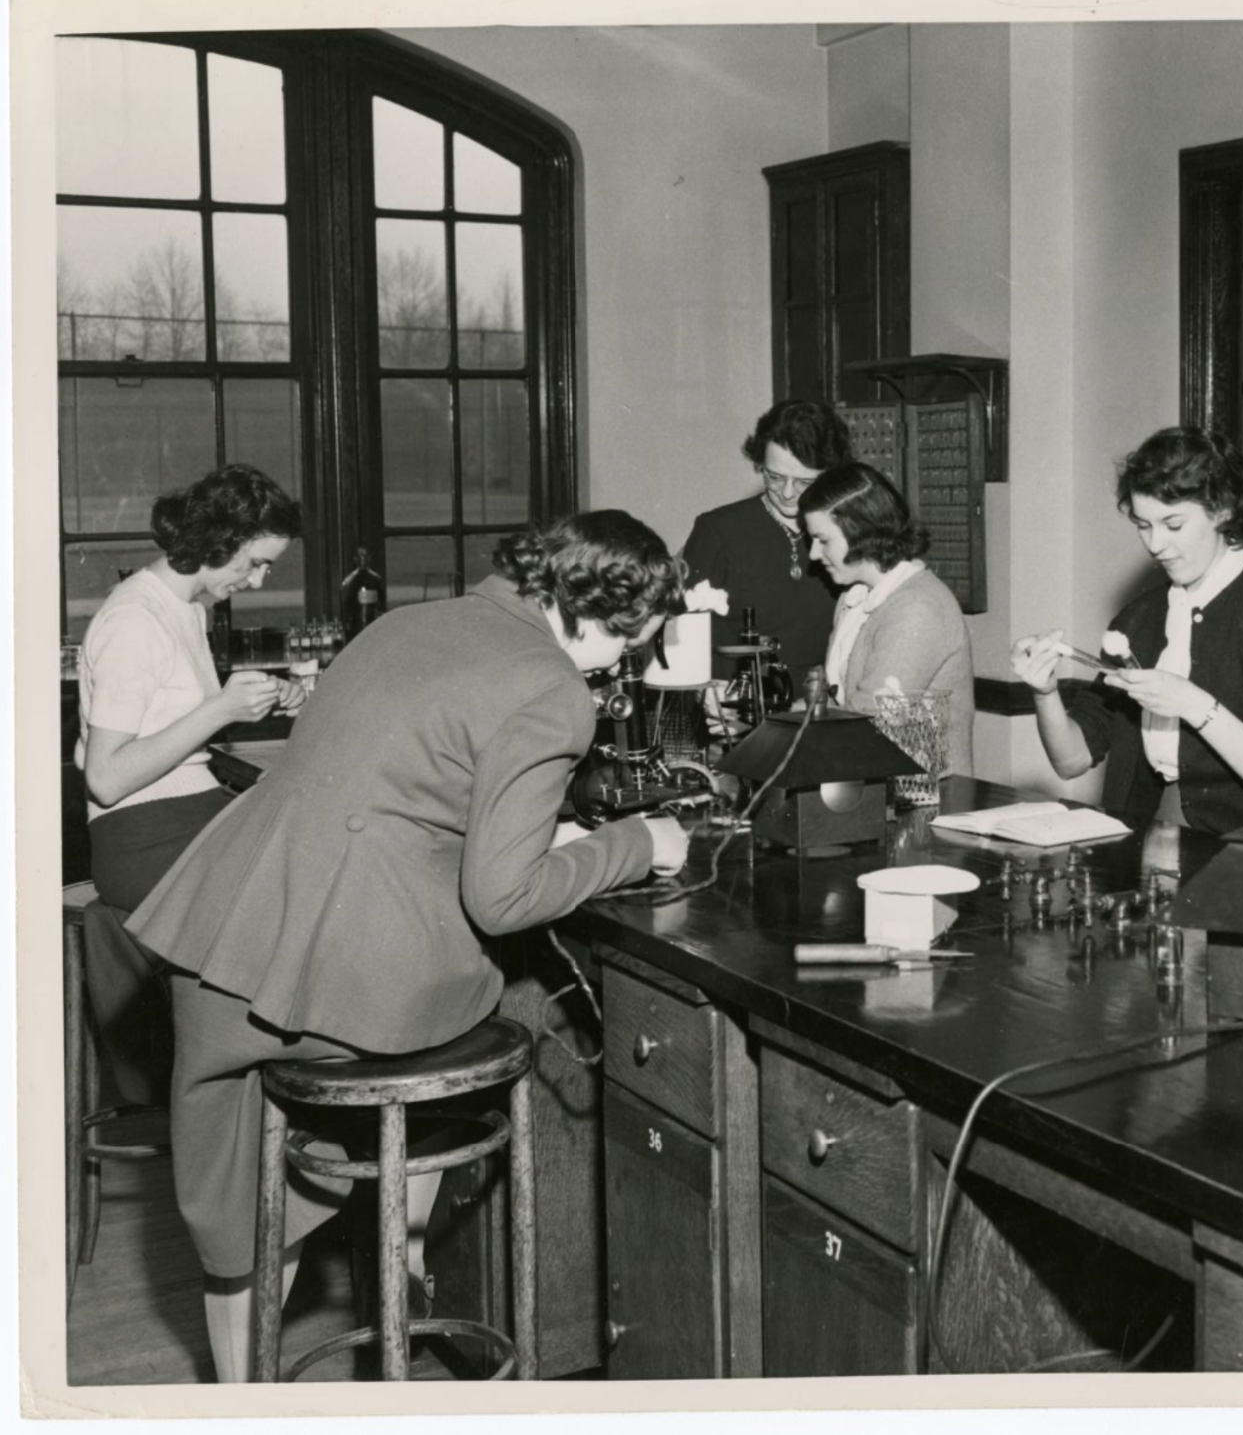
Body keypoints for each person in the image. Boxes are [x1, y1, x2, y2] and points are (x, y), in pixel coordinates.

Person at [126, 509, 690, 1381]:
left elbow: (417, 779)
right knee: (516, 996)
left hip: (228, 940)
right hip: (342, 977)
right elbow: (501, 898)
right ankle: (412, 1264)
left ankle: (244, 1398)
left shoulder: (412, 620)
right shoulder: (550, 687)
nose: (625, 665)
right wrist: (638, 844)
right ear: (588, 609)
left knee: (242, 1201)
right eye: (627, 643)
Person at [76, 463, 306, 1103]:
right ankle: (257, 1097)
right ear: (218, 540)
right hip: (142, 837)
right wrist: (220, 711)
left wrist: (263, 700)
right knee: (302, 895)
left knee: (311, 860)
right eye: (256, 562)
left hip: (187, 817)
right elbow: (106, 777)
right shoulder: (135, 622)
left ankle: (269, 1095)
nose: (258, 579)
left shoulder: (185, 611)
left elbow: (173, 724)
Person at [1010, 426, 1243, 836]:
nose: (1155, 544)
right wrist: (1044, 693)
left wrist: (1196, 705)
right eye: (1144, 525)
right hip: (1152, 839)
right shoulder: (1138, 618)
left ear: (1222, 510)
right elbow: (1071, 760)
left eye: (1173, 525)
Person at [798, 461, 975, 778]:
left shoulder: (917, 608)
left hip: (924, 799)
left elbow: (867, 728)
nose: (812, 554)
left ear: (860, 531)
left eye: (823, 540)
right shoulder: (854, 597)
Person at [680, 399, 854, 682]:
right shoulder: (718, 530)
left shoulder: (846, 533)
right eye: (774, 477)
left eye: (804, 482)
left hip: (821, 704)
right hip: (735, 704)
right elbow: (684, 638)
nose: (786, 493)